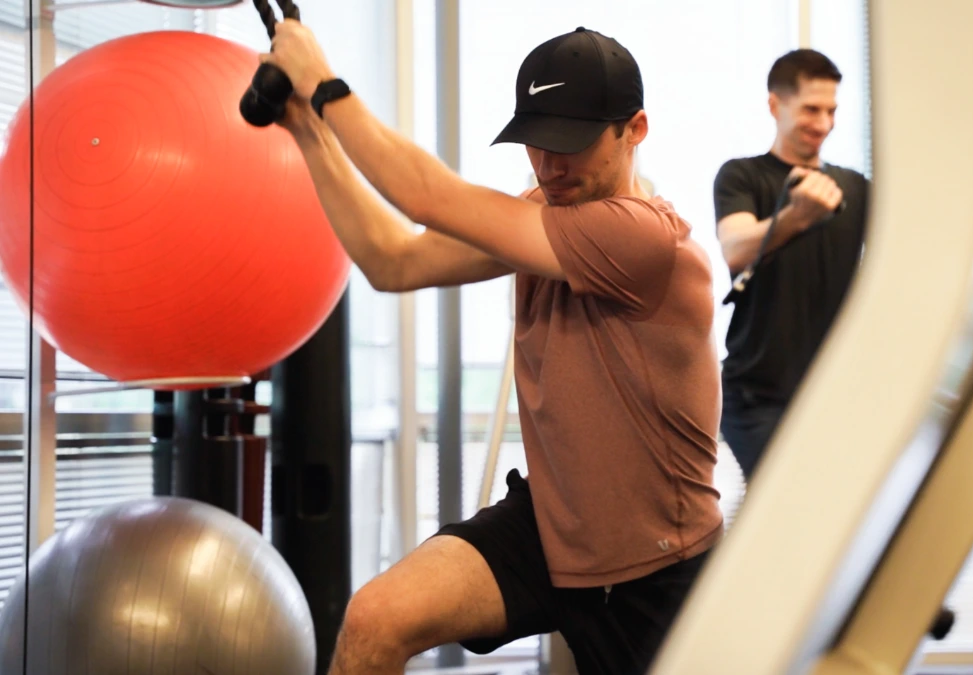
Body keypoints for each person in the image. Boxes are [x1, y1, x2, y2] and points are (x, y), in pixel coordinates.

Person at [263, 23, 724, 675]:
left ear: (635, 129)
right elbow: (392, 260)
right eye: (537, 142)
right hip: (550, 530)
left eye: (572, 144)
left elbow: (427, 197)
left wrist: (324, 87)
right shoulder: (545, 213)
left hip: (654, 566)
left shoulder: (647, 240)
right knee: (374, 619)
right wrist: (309, 133)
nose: (550, 164)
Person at [713, 49, 871, 482]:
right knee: (784, 504)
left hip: (834, 396)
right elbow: (736, 247)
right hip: (757, 398)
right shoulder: (742, 177)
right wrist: (798, 215)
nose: (823, 124)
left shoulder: (855, 187)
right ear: (775, 105)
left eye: (831, 111)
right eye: (811, 109)